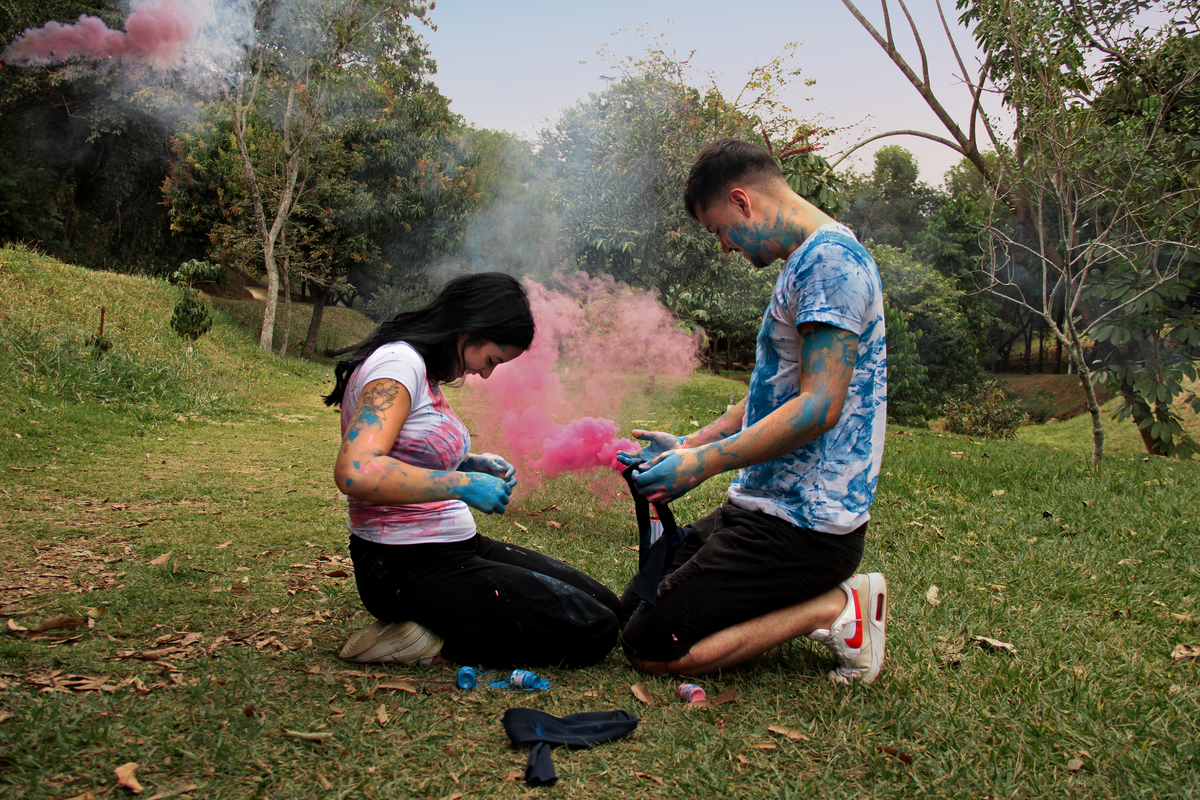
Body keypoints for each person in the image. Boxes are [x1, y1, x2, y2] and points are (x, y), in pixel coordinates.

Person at [618, 138, 889, 683]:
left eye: (719, 230)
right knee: (631, 611)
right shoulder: (805, 261)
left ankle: (835, 608)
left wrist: (703, 464)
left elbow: (819, 407)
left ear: (742, 201)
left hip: (805, 528)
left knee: (649, 647)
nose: (724, 246)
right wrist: (691, 444)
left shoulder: (830, 263)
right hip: (760, 508)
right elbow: (776, 392)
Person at [324, 273, 620, 668]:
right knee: (595, 629)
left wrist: (469, 462)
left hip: (454, 547)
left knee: (608, 606)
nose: (485, 373)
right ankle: (427, 645)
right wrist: (461, 483)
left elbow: (407, 451)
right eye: (492, 360)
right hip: (400, 565)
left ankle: (444, 623)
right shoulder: (397, 366)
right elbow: (357, 471)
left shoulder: (423, 371)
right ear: (470, 329)